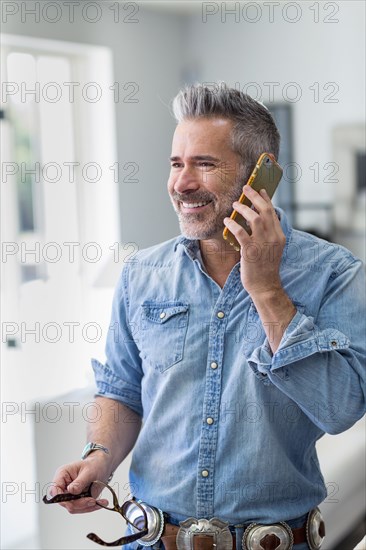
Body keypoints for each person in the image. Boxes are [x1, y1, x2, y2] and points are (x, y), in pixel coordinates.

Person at [50, 83, 366, 550]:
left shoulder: (334, 273)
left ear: (264, 176)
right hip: (150, 540)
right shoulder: (142, 273)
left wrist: (265, 288)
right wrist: (99, 457)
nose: (182, 183)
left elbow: (342, 408)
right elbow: (122, 389)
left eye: (205, 163)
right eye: (177, 163)